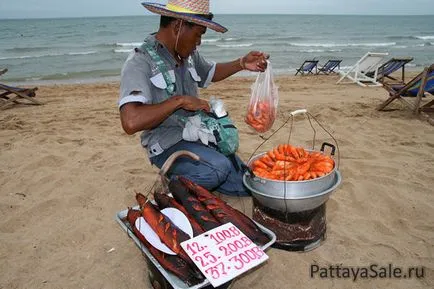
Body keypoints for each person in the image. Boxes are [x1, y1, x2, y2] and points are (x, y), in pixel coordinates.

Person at [118, 0, 268, 196]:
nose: (199, 42)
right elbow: (130, 121)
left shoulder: (187, 54)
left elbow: (210, 73)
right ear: (178, 26)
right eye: (198, 35)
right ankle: (170, 187)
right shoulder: (140, 61)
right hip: (166, 144)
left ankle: (199, 177)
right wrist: (180, 101)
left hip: (196, 135)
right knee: (219, 169)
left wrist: (241, 63)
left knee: (245, 183)